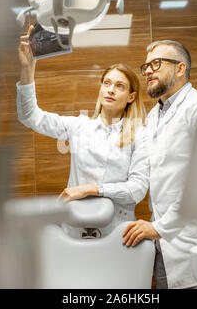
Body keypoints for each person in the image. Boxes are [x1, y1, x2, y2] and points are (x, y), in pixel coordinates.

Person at [16, 25, 149, 237]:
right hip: (74, 230)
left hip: (118, 234)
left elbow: (137, 189)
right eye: (107, 83)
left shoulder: (140, 134)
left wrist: (89, 189)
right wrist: (27, 69)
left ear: (131, 97)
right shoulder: (80, 126)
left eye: (119, 86)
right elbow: (30, 116)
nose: (111, 89)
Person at [122, 40, 197, 289]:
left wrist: (161, 227)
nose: (148, 71)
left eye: (156, 63)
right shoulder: (153, 116)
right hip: (165, 245)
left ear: (180, 68)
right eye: (146, 65)